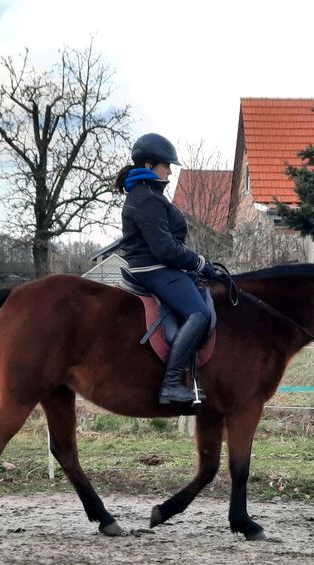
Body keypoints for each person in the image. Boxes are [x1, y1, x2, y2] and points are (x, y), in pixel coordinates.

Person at [115, 132, 219, 406]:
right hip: (155, 268)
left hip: (155, 266)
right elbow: (164, 248)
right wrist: (199, 262)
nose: (170, 172)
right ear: (149, 166)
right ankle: (171, 385)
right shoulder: (147, 198)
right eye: (166, 165)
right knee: (199, 313)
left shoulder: (147, 194)